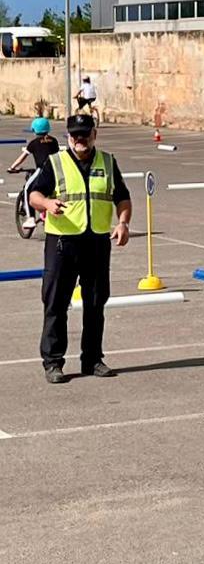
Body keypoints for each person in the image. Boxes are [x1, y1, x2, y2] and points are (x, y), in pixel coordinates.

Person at [28, 113, 132, 384]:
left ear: (94, 135)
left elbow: (122, 196)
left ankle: (93, 359)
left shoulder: (108, 162)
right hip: (63, 243)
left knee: (96, 303)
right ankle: (53, 362)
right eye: (74, 135)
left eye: (84, 134)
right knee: (55, 303)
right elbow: (35, 194)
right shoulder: (56, 162)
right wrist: (48, 204)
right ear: (68, 137)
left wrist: (122, 223)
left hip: (97, 242)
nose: (79, 139)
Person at [7, 117, 60, 230]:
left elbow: (22, 157)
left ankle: (30, 218)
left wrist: (12, 167)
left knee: (27, 189)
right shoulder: (54, 141)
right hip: (56, 169)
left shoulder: (34, 143)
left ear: (34, 129)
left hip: (41, 169)